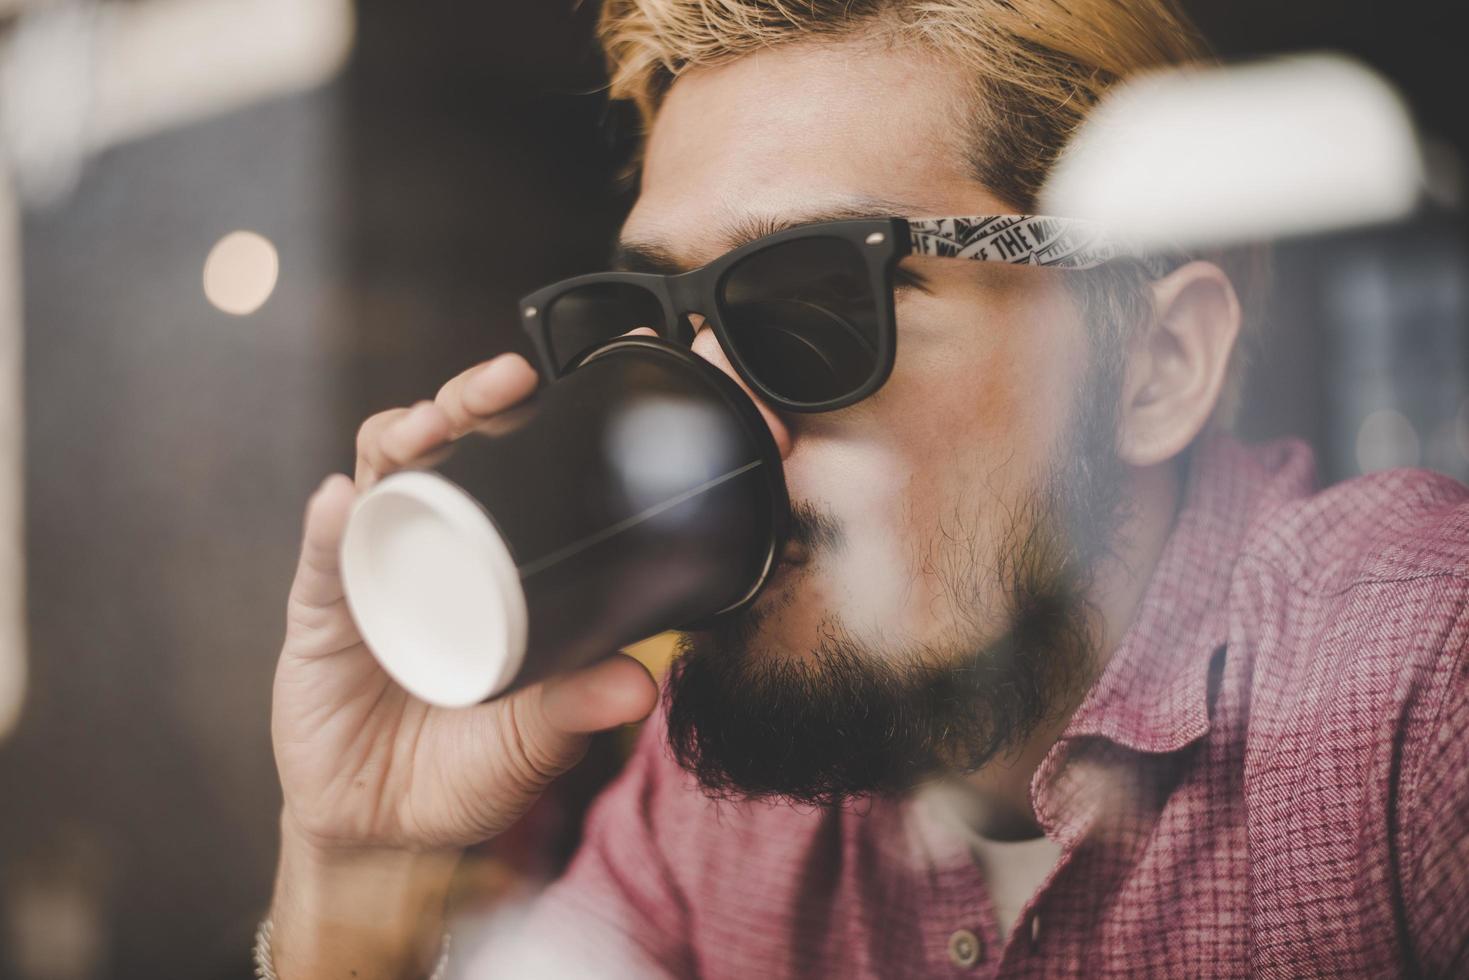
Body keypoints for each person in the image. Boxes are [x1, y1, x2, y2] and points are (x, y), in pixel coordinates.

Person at [261, 1, 1469, 976]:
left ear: (1157, 364)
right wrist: (358, 877)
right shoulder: (711, 791)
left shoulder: (1412, 685)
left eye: (813, 305)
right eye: (652, 330)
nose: (706, 419)